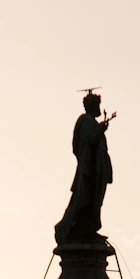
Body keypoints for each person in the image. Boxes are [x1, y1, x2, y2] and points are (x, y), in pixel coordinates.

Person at [54, 92, 115, 245]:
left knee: (95, 200)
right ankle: (75, 229)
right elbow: (87, 145)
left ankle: (89, 230)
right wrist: (100, 131)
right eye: (97, 105)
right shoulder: (86, 122)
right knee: (85, 199)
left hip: (97, 170)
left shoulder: (91, 123)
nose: (99, 108)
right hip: (89, 171)